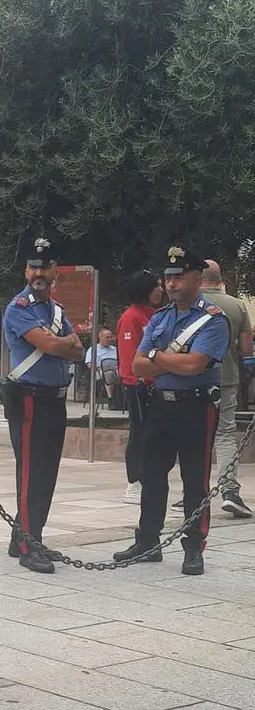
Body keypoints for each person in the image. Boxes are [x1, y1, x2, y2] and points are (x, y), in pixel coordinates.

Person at [113, 245, 230, 576]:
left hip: (196, 406)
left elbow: (195, 365)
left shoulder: (212, 320)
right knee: (151, 476)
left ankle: (194, 547)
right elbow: (136, 365)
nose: (172, 284)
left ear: (197, 277)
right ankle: (147, 541)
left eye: (179, 277)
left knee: (195, 480)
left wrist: (156, 358)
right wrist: (162, 362)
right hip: (160, 406)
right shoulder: (160, 317)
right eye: (168, 278)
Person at [1, 237, 83, 574]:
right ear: (25, 271)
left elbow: (78, 350)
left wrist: (62, 345)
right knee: (32, 472)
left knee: (46, 473)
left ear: (54, 273)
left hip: (54, 400)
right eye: (33, 267)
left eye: (45, 267)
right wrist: (62, 344)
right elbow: (49, 344)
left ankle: (25, 534)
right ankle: (27, 545)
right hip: (30, 399)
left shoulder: (56, 310)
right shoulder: (18, 309)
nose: (39, 273)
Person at [199, 260, 253, 519]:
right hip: (227, 377)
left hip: (193, 378)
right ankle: (230, 491)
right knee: (225, 433)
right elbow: (246, 350)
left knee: (196, 434)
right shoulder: (237, 305)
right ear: (220, 279)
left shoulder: (189, 303)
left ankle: (195, 490)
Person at [117, 269, 164, 504]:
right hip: (137, 385)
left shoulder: (153, 315)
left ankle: (147, 479)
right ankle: (133, 481)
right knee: (139, 431)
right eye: (156, 285)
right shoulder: (131, 316)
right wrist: (138, 380)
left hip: (155, 383)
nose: (161, 289)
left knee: (151, 433)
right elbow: (128, 357)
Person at [84, 328, 121, 408]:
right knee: (108, 373)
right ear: (100, 337)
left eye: (111, 337)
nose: (110, 339)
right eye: (107, 337)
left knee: (123, 373)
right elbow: (89, 364)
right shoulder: (93, 349)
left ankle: (124, 399)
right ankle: (111, 399)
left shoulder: (114, 349)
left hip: (116, 370)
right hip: (100, 371)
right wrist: (100, 367)